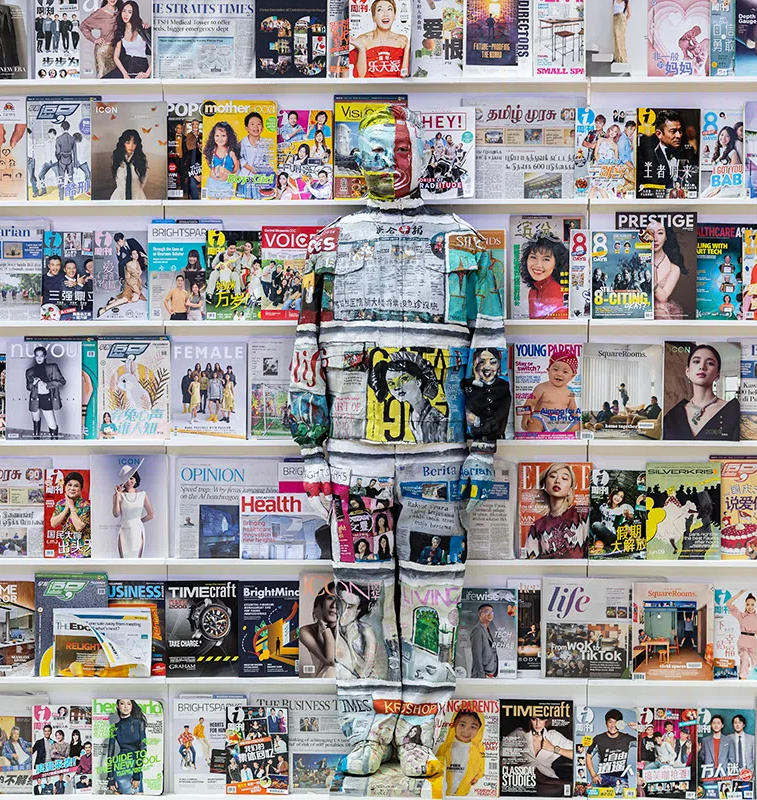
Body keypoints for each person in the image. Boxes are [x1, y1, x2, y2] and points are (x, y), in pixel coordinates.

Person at [288, 104, 507, 780]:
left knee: (434, 601)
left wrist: (482, 450)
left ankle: (419, 734)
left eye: (403, 148)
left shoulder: (462, 243)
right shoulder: (329, 244)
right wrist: (311, 452)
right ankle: (367, 728)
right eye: (378, 149)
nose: (391, 162)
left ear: (424, 155)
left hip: (437, 463)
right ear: (359, 159)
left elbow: (489, 348)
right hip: (353, 463)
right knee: (358, 601)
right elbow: (305, 350)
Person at [663, 344, 740, 440]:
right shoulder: (672, 416)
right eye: (696, 361)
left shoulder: (733, 411)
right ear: (687, 372)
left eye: (710, 363)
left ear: (717, 375)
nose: (702, 367)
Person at [523, 463, 588, 559]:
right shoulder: (537, 526)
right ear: (545, 485)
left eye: (564, 478)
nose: (557, 481)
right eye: (553, 476)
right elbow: (529, 561)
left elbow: (593, 553)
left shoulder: (582, 513)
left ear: (570, 490)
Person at [519, 347, 580, 435]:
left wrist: (576, 418)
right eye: (555, 369)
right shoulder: (541, 387)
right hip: (541, 418)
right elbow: (530, 402)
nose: (559, 374)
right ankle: (537, 437)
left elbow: (573, 408)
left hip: (561, 420)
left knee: (578, 425)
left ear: (572, 376)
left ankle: (561, 436)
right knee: (533, 423)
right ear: (548, 370)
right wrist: (525, 415)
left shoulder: (570, 391)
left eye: (565, 372)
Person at [350, 0, 408, 78]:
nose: (385, 14)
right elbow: (360, 77)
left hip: (396, 86)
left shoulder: (402, 40)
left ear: (394, 16)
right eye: (380, 10)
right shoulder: (363, 40)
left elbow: (404, 74)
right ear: (373, 17)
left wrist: (407, 48)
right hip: (370, 86)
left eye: (389, 9)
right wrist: (362, 49)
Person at [435, 710, 485, 796]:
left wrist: (477, 777)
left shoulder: (478, 749)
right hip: (444, 789)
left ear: (479, 729)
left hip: (463, 791)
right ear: (454, 724)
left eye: (473, 727)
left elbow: (481, 765)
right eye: (462, 725)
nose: (466, 730)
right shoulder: (445, 747)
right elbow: (436, 765)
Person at [518, 235, 569, 319]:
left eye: (546, 259)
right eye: (533, 257)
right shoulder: (533, 291)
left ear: (556, 264)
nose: (538, 265)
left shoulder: (559, 293)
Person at [645, 220, 688, 319]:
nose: (655, 238)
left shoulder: (674, 268)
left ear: (666, 237)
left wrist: (651, 280)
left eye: (660, 233)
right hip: (637, 309)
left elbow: (662, 298)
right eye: (650, 233)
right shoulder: (634, 262)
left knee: (661, 313)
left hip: (660, 313)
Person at [585, 709, 635, 791]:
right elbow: (588, 756)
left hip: (621, 779)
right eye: (610, 722)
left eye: (616, 722)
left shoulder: (627, 738)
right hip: (602, 778)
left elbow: (642, 744)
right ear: (606, 723)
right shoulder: (598, 739)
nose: (613, 725)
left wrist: (636, 728)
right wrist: (593, 775)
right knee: (593, 794)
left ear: (620, 724)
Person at [106, 699, 147, 794]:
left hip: (135, 766)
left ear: (132, 706)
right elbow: (110, 754)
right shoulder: (114, 727)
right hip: (119, 766)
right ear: (117, 706)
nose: (125, 706)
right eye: (122, 703)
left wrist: (137, 774)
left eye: (128, 704)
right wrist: (110, 777)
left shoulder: (139, 723)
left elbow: (143, 749)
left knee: (138, 795)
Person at [113, 464, 154, 558]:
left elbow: (151, 515)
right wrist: (118, 495)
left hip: (138, 529)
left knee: (137, 559)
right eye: (126, 479)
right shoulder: (118, 495)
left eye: (131, 478)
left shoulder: (142, 494)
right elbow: (116, 514)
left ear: (135, 479)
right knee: (124, 558)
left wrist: (137, 521)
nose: (129, 481)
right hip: (123, 529)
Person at [25, 345, 65, 439]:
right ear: (35, 357)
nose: (39, 358)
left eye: (41, 356)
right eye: (37, 356)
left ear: (45, 356)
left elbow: (62, 381)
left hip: (47, 399)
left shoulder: (53, 367)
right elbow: (28, 387)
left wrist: (47, 384)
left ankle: (54, 445)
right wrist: (33, 383)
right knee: (36, 424)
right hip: (34, 399)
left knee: (52, 425)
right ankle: (36, 442)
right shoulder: (29, 371)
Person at [299, 582, 336, 679]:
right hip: (324, 679)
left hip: (344, 681)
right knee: (331, 670)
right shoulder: (306, 631)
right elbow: (331, 661)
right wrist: (324, 626)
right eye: (330, 598)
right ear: (321, 602)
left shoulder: (351, 630)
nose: (334, 605)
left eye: (340, 601)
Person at [49, 471, 90, 557]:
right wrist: (66, 507)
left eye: (76, 486)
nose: (72, 488)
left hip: (82, 551)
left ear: (81, 489)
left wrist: (72, 507)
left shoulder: (86, 506)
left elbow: (79, 527)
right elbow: (53, 523)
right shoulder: (60, 504)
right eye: (69, 485)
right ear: (65, 487)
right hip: (66, 549)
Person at [239, 111, 275, 200]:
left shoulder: (265, 143)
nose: (255, 127)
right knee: (247, 200)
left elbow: (266, 160)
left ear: (262, 128)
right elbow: (239, 158)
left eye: (258, 124)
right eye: (252, 124)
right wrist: (251, 169)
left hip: (259, 177)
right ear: (246, 128)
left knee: (258, 200)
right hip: (245, 177)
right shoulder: (243, 142)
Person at [204, 121, 240, 199]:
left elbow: (236, 167)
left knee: (225, 205)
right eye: (217, 135)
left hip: (226, 184)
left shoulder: (231, 152)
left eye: (223, 135)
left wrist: (228, 172)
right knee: (212, 204)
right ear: (213, 136)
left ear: (229, 137)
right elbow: (208, 163)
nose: (220, 139)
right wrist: (215, 170)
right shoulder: (212, 151)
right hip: (212, 183)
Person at [108, 129, 148, 199]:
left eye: (134, 143)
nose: (131, 146)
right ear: (123, 143)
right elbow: (116, 179)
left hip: (137, 197)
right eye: (128, 142)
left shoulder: (141, 161)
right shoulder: (117, 159)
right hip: (119, 197)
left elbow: (143, 181)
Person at [469, 603, 498, 678]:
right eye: (487, 612)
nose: (490, 614)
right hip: (482, 675)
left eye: (492, 612)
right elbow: (476, 655)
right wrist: (482, 675)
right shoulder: (477, 630)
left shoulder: (487, 629)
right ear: (480, 614)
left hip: (490, 674)